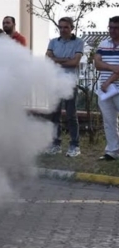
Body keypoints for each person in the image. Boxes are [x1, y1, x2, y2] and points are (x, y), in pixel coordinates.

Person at [44, 17, 84, 157]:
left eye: (65, 27)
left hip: (70, 83)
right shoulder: (53, 42)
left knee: (71, 115)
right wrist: (66, 59)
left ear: (71, 28)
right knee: (54, 114)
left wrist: (56, 60)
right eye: (60, 27)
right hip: (54, 82)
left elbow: (75, 63)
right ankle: (56, 144)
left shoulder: (78, 42)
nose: (62, 30)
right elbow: (47, 58)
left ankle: (75, 146)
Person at [94, 16, 119, 161]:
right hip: (106, 91)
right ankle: (112, 151)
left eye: (116, 28)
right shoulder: (104, 44)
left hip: (111, 86)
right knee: (109, 121)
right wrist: (111, 67)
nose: (113, 31)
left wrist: (108, 81)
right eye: (111, 27)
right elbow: (97, 63)